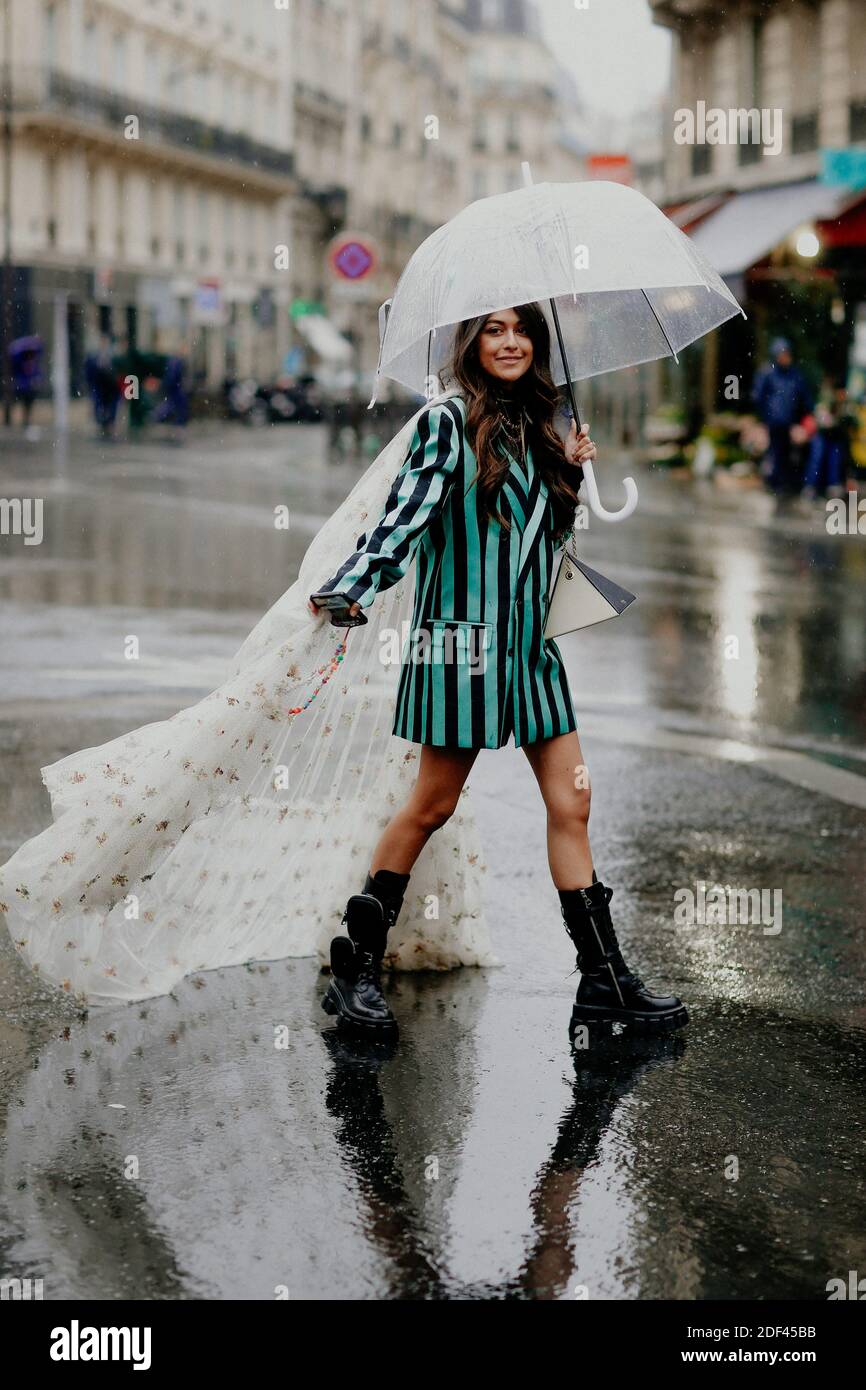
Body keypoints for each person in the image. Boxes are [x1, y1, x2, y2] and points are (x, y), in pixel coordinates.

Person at [310, 303, 689, 1038]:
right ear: (471, 342)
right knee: (432, 805)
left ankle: (604, 979)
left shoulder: (540, 429)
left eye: (522, 330)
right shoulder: (445, 424)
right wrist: (354, 582)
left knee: (573, 803)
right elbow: (406, 515)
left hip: (531, 650)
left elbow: (545, 541)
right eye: (494, 329)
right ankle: (356, 966)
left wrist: (572, 475)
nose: (510, 341)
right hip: (460, 647)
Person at [752, 338, 814, 495]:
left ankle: (784, 483)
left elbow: (804, 399)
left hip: (789, 422)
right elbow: (758, 396)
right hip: (773, 421)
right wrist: (764, 418)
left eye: (787, 354)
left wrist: (804, 419)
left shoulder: (795, 375)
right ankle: (774, 482)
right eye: (782, 354)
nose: (785, 358)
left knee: (787, 453)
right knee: (774, 452)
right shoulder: (767, 373)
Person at [84, 334, 121, 439]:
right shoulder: (94, 357)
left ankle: (108, 423)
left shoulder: (113, 356)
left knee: (110, 407)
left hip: (111, 387)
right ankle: (102, 423)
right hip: (100, 386)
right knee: (99, 406)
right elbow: (90, 372)